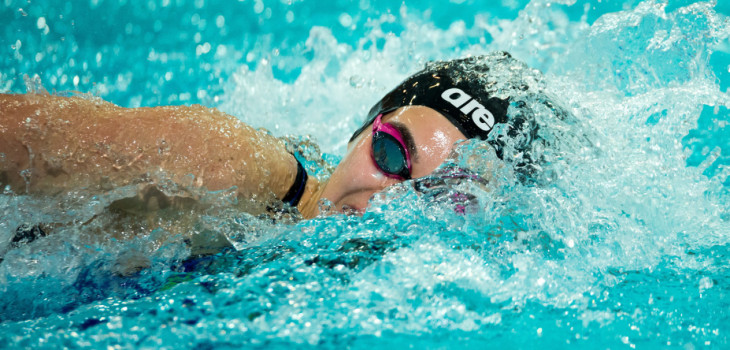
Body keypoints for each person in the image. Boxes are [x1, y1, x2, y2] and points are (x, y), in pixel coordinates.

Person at [1, 52, 553, 229]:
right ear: (364, 128)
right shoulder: (226, 165)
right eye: (390, 153)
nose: (387, 203)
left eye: (443, 197)